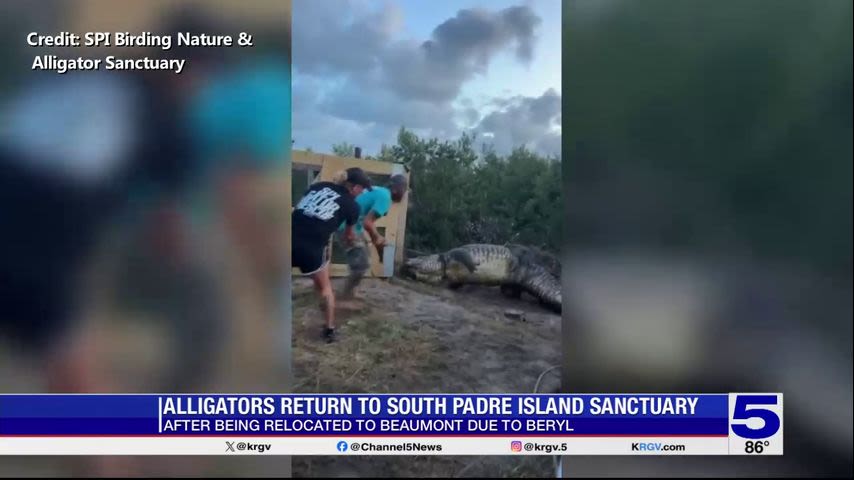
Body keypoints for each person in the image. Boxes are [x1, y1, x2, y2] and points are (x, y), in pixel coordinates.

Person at [292, 168, 371, 342]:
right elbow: (348, 235)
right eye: (362, 188)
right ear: (354, 187)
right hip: (312, 248)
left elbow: (301, 208)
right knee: (326, 288)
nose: (363, 192)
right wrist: (353, 242)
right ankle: (329, 331)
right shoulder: (352, 205)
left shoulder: (317, 186)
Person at [337, 173, 409, 300]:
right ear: (396, 189)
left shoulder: (379, 190)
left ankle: (348, 292)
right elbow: (367, 223)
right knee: (361, 265)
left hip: (347, 224)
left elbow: (366, 222)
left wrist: (377, 240)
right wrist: (378, 238)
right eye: (404, 189)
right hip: (346, 227)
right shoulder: (385, 198)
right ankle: (344, 296)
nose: (404, 194)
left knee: (362, 256)